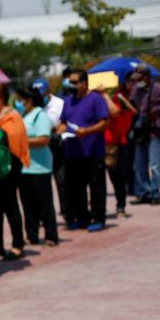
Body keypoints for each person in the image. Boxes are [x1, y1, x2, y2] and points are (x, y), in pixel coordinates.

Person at [57, 70, 110, 232]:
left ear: (84, 83)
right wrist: (61, 131)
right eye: (69, 82)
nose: (70, 85)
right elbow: (63, 122)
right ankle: (82, 218)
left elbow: (104, 123)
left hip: (93, 152)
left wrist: (87, 131)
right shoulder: (67, 101)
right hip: (73, 152)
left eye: (74, 82)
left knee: (96, 187)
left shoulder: (96, 99)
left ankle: (99, 218)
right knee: (75, 188)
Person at [0, 85, 30, 260]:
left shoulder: (12, 116)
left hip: (10, 165)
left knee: (10, 205)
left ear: (1, 98)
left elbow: (14, 140)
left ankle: (18, 244)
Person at [15, 88, 59, 246]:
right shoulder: (24, 116)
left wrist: (22, 143)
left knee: (44, 203)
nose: (18, 103)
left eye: (21, 100)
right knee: (28, 204)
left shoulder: (40, 115)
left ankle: (51, 235)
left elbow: (43, 139)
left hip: (40, 167)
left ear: (29, 100)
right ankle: (32, 235)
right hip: (25, 166)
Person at [32, 77, 68, 221]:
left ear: (48, 91)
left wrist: (55, 131)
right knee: (41, 184)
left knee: (62, 180)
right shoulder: (32, 105)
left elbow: (65, 123)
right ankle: (43, 214)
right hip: (40, 148)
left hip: (56, 146)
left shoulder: (59, 104)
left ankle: (66, 211)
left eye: (42, 93)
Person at [128, 64, 160, 206]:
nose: (137, 81)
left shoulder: (159, 89)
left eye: (140, 78)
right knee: (139, 164)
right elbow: (133, 105)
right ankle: (144, 193)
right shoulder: (136, 90)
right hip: (141, 130)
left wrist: (158, 110)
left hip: (155, 130)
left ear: (147, 77)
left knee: (155, 165)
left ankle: (155, 193)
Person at [103, 76, 137, 218]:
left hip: (120, 143)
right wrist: (104, 95)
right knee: (108, 177)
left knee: (119, 177)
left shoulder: (122, 98)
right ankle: (100, 209)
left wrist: (116, 96)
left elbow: (131, 111)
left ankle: (121, 206)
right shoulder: (103, 100)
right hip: (106, 143)